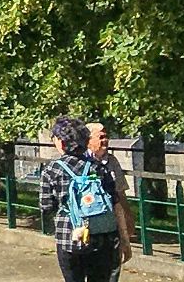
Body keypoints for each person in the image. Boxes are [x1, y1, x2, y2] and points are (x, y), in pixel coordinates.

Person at [40, 116, 129, 282]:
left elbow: (46, 206)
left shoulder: (52, 169)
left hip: (69, 237)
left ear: (61, 142)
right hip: (102, 236)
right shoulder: (98, 167)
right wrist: (124, 240)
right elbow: (115, 203)